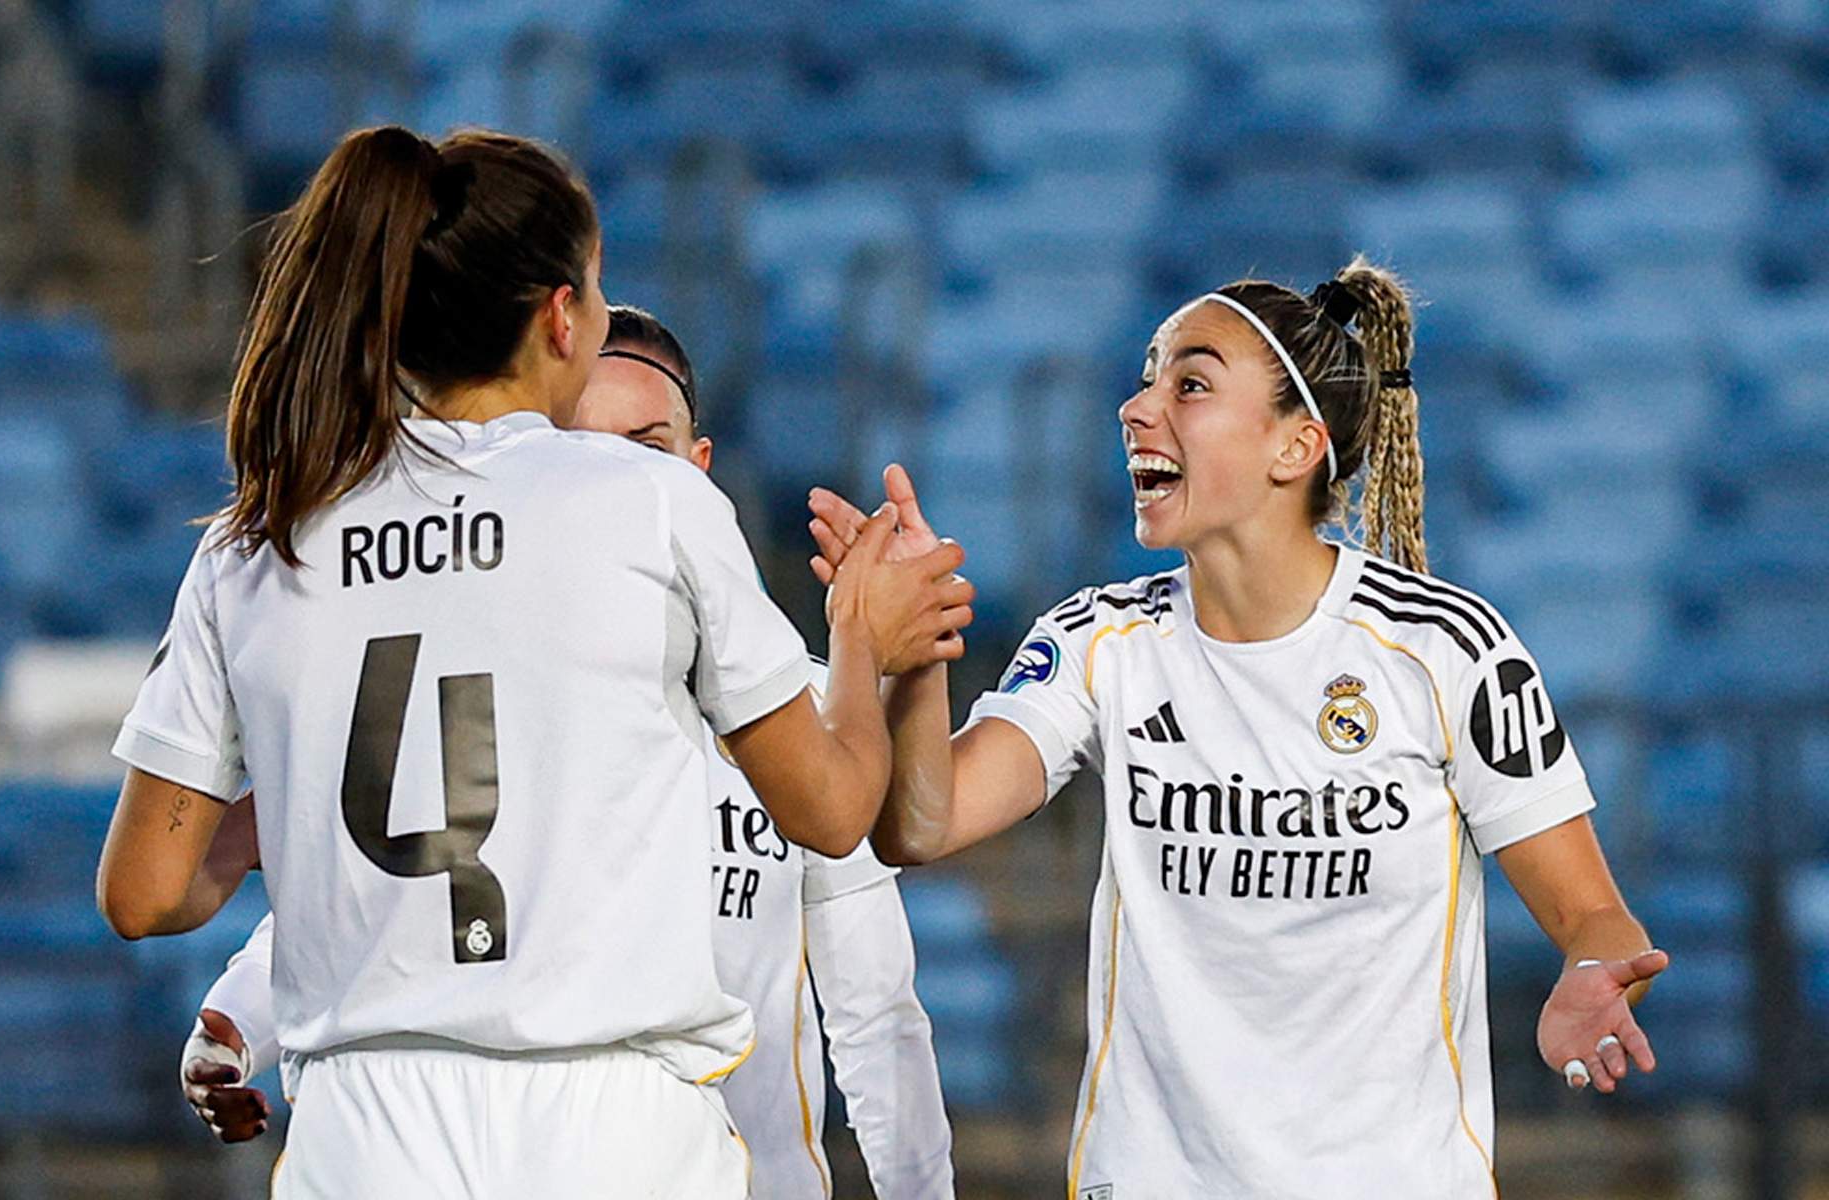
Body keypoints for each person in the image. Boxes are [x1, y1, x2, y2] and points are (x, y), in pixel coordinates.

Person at [95, 126, 974, 1200]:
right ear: (562, 317)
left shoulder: (257, 536)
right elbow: (832, 813)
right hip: (608, 1127)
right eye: (596, 291)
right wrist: (862, 637)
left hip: (363, 1135)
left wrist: (284, 805)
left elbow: (142, 894)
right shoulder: (652, 503)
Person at [806, 258, 1667, 1199]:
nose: (1136, 409)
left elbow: (1594, 916)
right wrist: (918, 648)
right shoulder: (1099, 641)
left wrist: (1595, 973)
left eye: (1190, 385)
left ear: (1295, 447)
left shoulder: (1445, 649)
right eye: (1147, 381)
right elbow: (921, 825)